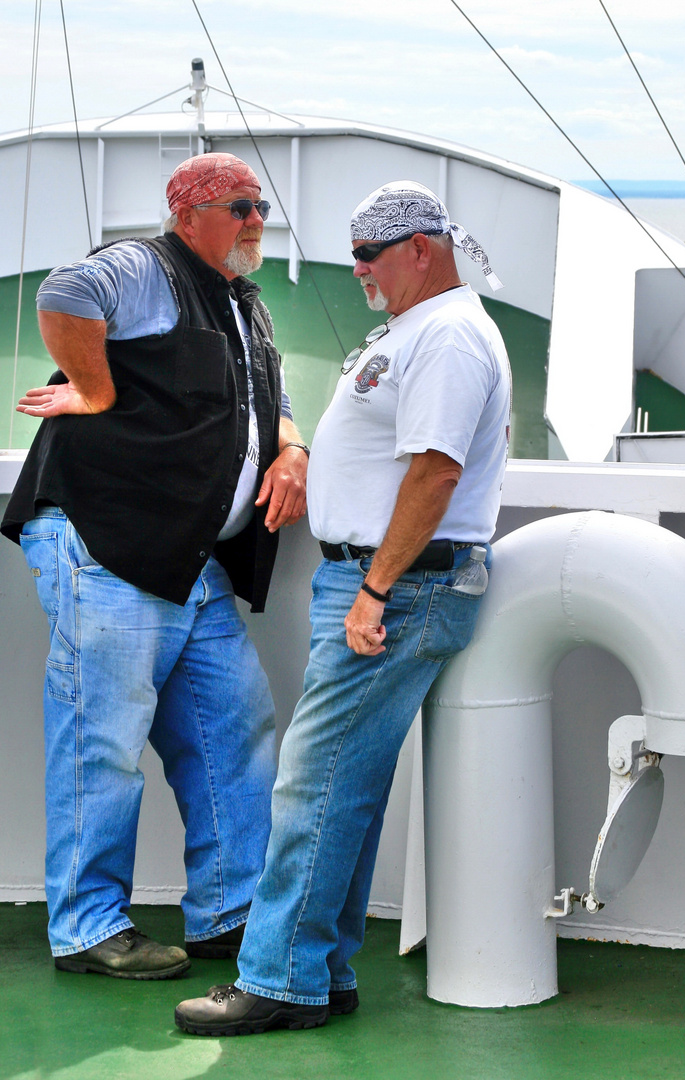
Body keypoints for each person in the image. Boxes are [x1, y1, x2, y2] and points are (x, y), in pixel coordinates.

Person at [174, 179, 512, 1033]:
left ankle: (278, 983)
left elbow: (435, 472)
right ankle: (320, 972)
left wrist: (373, 590)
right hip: (375, 583)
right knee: (340, 790)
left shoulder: (447, 338)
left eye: (369, 256)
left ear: (420, 251)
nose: (357, 269)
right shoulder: (415, 329)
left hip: (396, 588)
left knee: (312, 786)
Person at [1, 153, 309, 980]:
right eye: (241, 207)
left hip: (189, 558)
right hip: (109, 543)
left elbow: (267, 399)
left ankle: (231, 912)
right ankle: (88, 926)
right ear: (191, 212)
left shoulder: (244, 301)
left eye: (260, 207)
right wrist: (95, 391)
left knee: (231, 734)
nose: (256, 221)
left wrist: (292, 450)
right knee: (99, 740)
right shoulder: (144, 267)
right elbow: (66, 295)